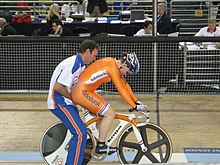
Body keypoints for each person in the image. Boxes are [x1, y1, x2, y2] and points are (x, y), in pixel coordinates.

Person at [71, 52, 145, 155]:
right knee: (110, 113)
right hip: (83, 92)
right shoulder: (112, 68)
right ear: (125, 65)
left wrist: (136, 101)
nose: (126, 75)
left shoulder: (113, 63)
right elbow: (121, 90)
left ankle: (94, 139)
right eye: (128, 73)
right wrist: (134, 106)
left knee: (104, 114)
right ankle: (101, 145)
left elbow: (125, 85)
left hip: (86, 90)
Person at [47, 39, 99, 165]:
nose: (94, 59)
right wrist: (74, 99)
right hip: (59, 102)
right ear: (87, 51)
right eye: (94, 55)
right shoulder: (73, 64)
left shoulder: (80, 65)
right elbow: (58, 87)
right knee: (80, 133)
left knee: (80, 132)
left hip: (66, 103)